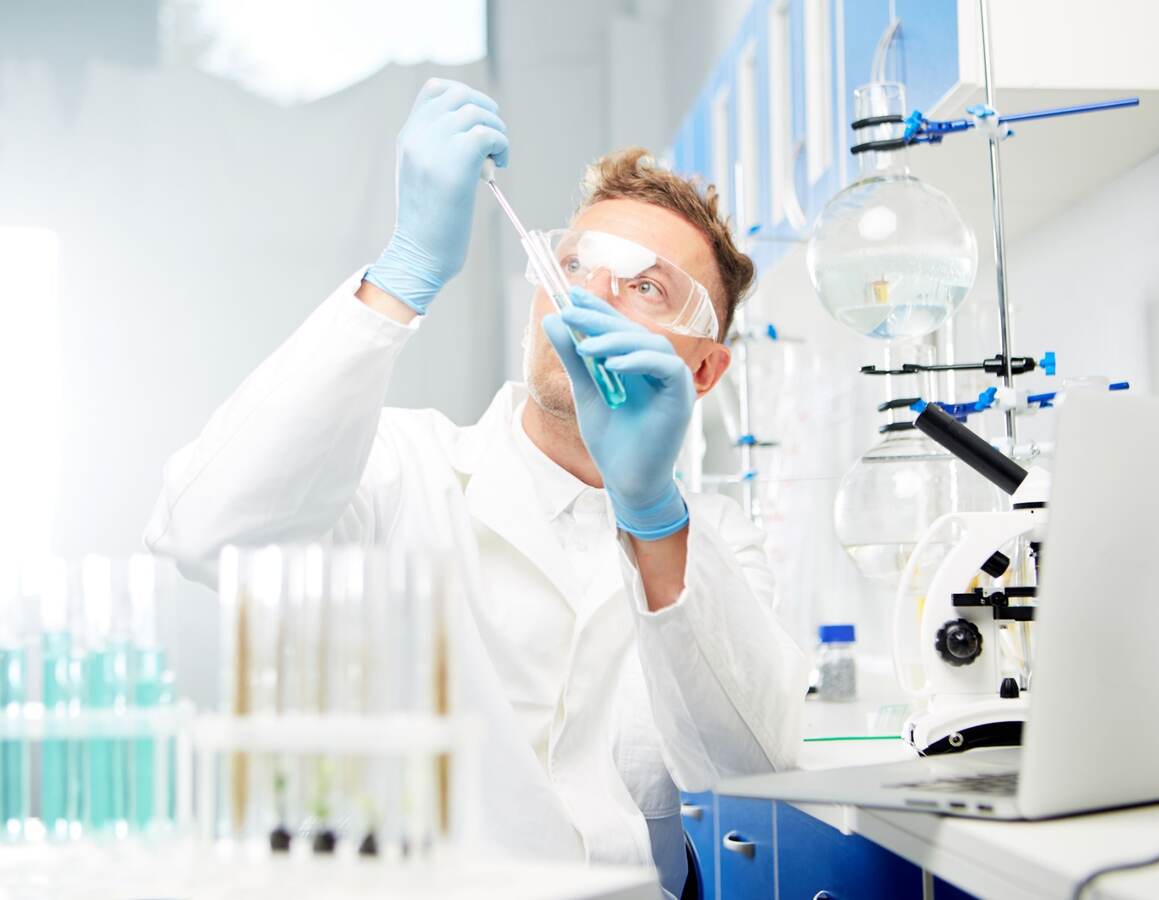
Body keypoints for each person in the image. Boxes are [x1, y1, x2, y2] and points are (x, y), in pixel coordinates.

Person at [145, 78, 807, 899]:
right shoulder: (398, 469)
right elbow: (204, 531)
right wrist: (404, 273)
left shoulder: (711, 539)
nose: (591, 296)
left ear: (703, 370)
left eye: (647, 287)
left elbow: (756, 764)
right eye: (574, 265)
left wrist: (651, 515)